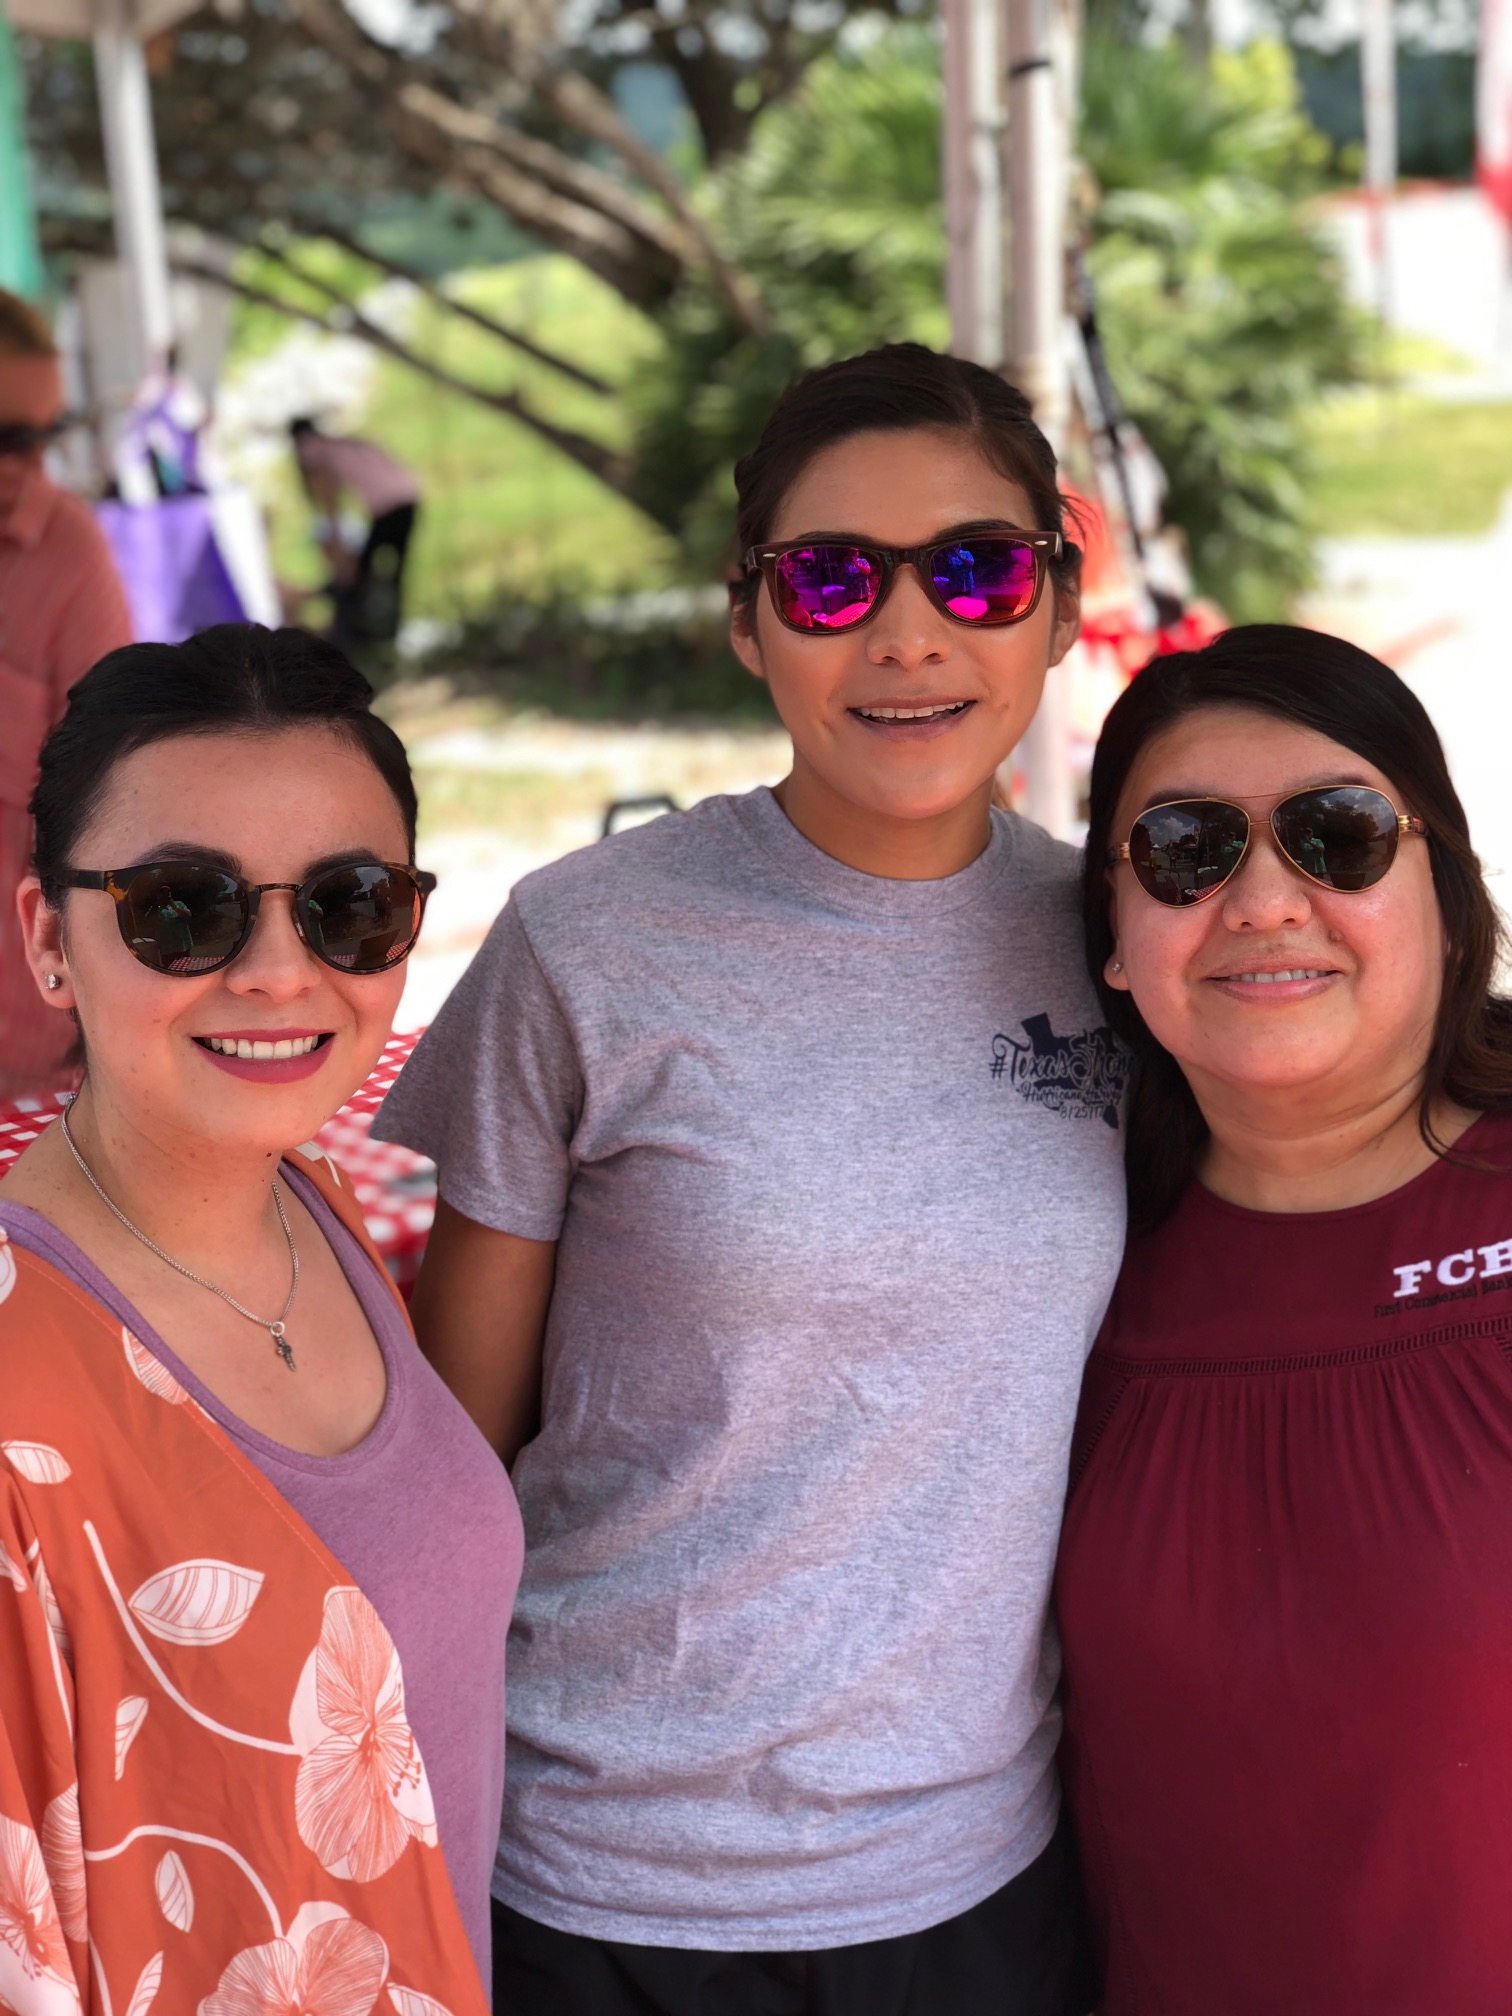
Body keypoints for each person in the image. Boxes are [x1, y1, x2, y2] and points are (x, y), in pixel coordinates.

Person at [372, 341, 1130, 2016]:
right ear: (747, 622)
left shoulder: (1122, 944)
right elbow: (455, 1447)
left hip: (978, 1872)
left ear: (1060, 604)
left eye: (979, 570)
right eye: (833, 579)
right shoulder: (589, 941)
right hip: (611, 1877)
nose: (909, 636)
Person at [0, 625, 519, 2011]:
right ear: (50, 938)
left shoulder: (317, 1205)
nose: (281, 971)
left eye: (349, 904)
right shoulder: (16, 1402)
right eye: (185, 907)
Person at [1057, 624, 1512, 2013]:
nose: (1264, 898)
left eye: (1339, 836)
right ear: (1117, 942)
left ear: (1443, 896)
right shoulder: (1058, 1279)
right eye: (1188, 849)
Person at [0, 288, 132, 1101]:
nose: (31, 465)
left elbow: (112, 790)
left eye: (44, 436)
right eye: (6, 439)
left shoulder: (66, 550)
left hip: (25, 1036)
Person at [289, 417, 420, 648]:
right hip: (408, 496)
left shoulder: (311, 449)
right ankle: (390, 631)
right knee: (394, 570)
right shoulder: (342, 444)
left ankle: (364, 634)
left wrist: (335, 542)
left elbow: (326, 496)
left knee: (360, 573)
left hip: (387, 506)